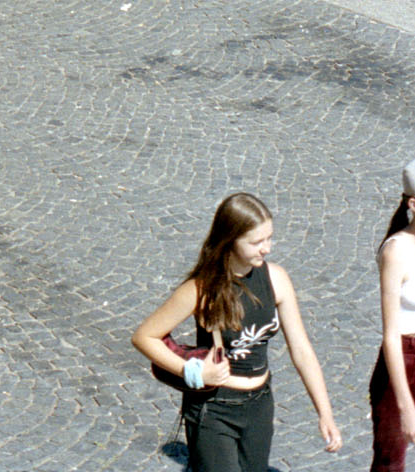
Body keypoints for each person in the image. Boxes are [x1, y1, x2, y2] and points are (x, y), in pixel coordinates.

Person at [132, 189, 342, 469]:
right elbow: (144, 336)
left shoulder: (276, 279)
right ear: (230, 241)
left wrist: (324, 412)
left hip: (260, 404)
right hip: (215, 408)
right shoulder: (201, 289)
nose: (267, 248)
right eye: (256, 242)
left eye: (269, 238)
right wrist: (193, 372)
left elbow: (302, 349)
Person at [370, 159, 415, 472]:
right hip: (404, 360)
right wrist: (405, 405)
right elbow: (391, 335)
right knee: (390, 463)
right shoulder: (396, 251)